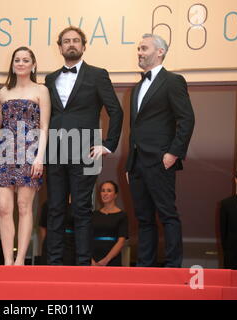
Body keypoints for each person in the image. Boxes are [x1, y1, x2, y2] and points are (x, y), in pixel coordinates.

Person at [44, 26, 123, 266]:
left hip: (87, 150)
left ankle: (82, 265)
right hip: (55, 150)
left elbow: (116, 111)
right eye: (66, 41)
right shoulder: (49, 79)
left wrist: (108, 145)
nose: (71, 44)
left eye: (76, 41)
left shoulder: (98, 75)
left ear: (83, 45)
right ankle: (54, 264)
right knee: (55, 208)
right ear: (60, 47)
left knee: (81, 208)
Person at [125, 34, 195, 268]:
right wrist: (128, 164)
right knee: (143, 218)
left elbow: (187, 119)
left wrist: (173, 154)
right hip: (137, 163)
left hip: (160, 159)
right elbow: (134, 129)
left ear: (160, 52)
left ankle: (173, 266)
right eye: (138, 48)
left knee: (167, 214)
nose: (139, 52)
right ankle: (145, 267)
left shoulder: (173, 81)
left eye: (144, 48)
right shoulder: (136, 88)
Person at [0, 46, 50, 265]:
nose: (21, 63)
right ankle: (7, 261)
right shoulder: (3, 92)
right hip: (4, 153)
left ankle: (20, 261)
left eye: (26, 60)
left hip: (30, 153)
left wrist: (39, 157)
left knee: (24, 207)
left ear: (33, 64)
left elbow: (44, 126)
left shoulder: (41, 91)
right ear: (12, 64)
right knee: (5, 208)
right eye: (17, 60)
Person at [92, 181, 128, 267]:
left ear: (115, 195)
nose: (105, 193)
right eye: (103, 190)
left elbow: (121, 241)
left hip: (112, 260)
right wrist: (90, 260)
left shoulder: (122, 216)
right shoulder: (94, 215)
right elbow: (86, 238)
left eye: (109, 190)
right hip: (93, 260)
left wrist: (106, 260)